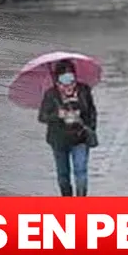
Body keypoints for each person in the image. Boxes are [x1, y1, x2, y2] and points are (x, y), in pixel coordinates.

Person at [38, 60, 97, 197]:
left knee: (81, 171)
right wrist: (57, 115)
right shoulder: (51, 95)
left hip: (80, 138)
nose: (69, 84)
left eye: (71, 79)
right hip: (59, 140)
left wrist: (90, 129)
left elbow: (92, 113)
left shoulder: (84, 90)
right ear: (58, 80)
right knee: (63, 174)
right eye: (64, 80)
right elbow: (42, 117)